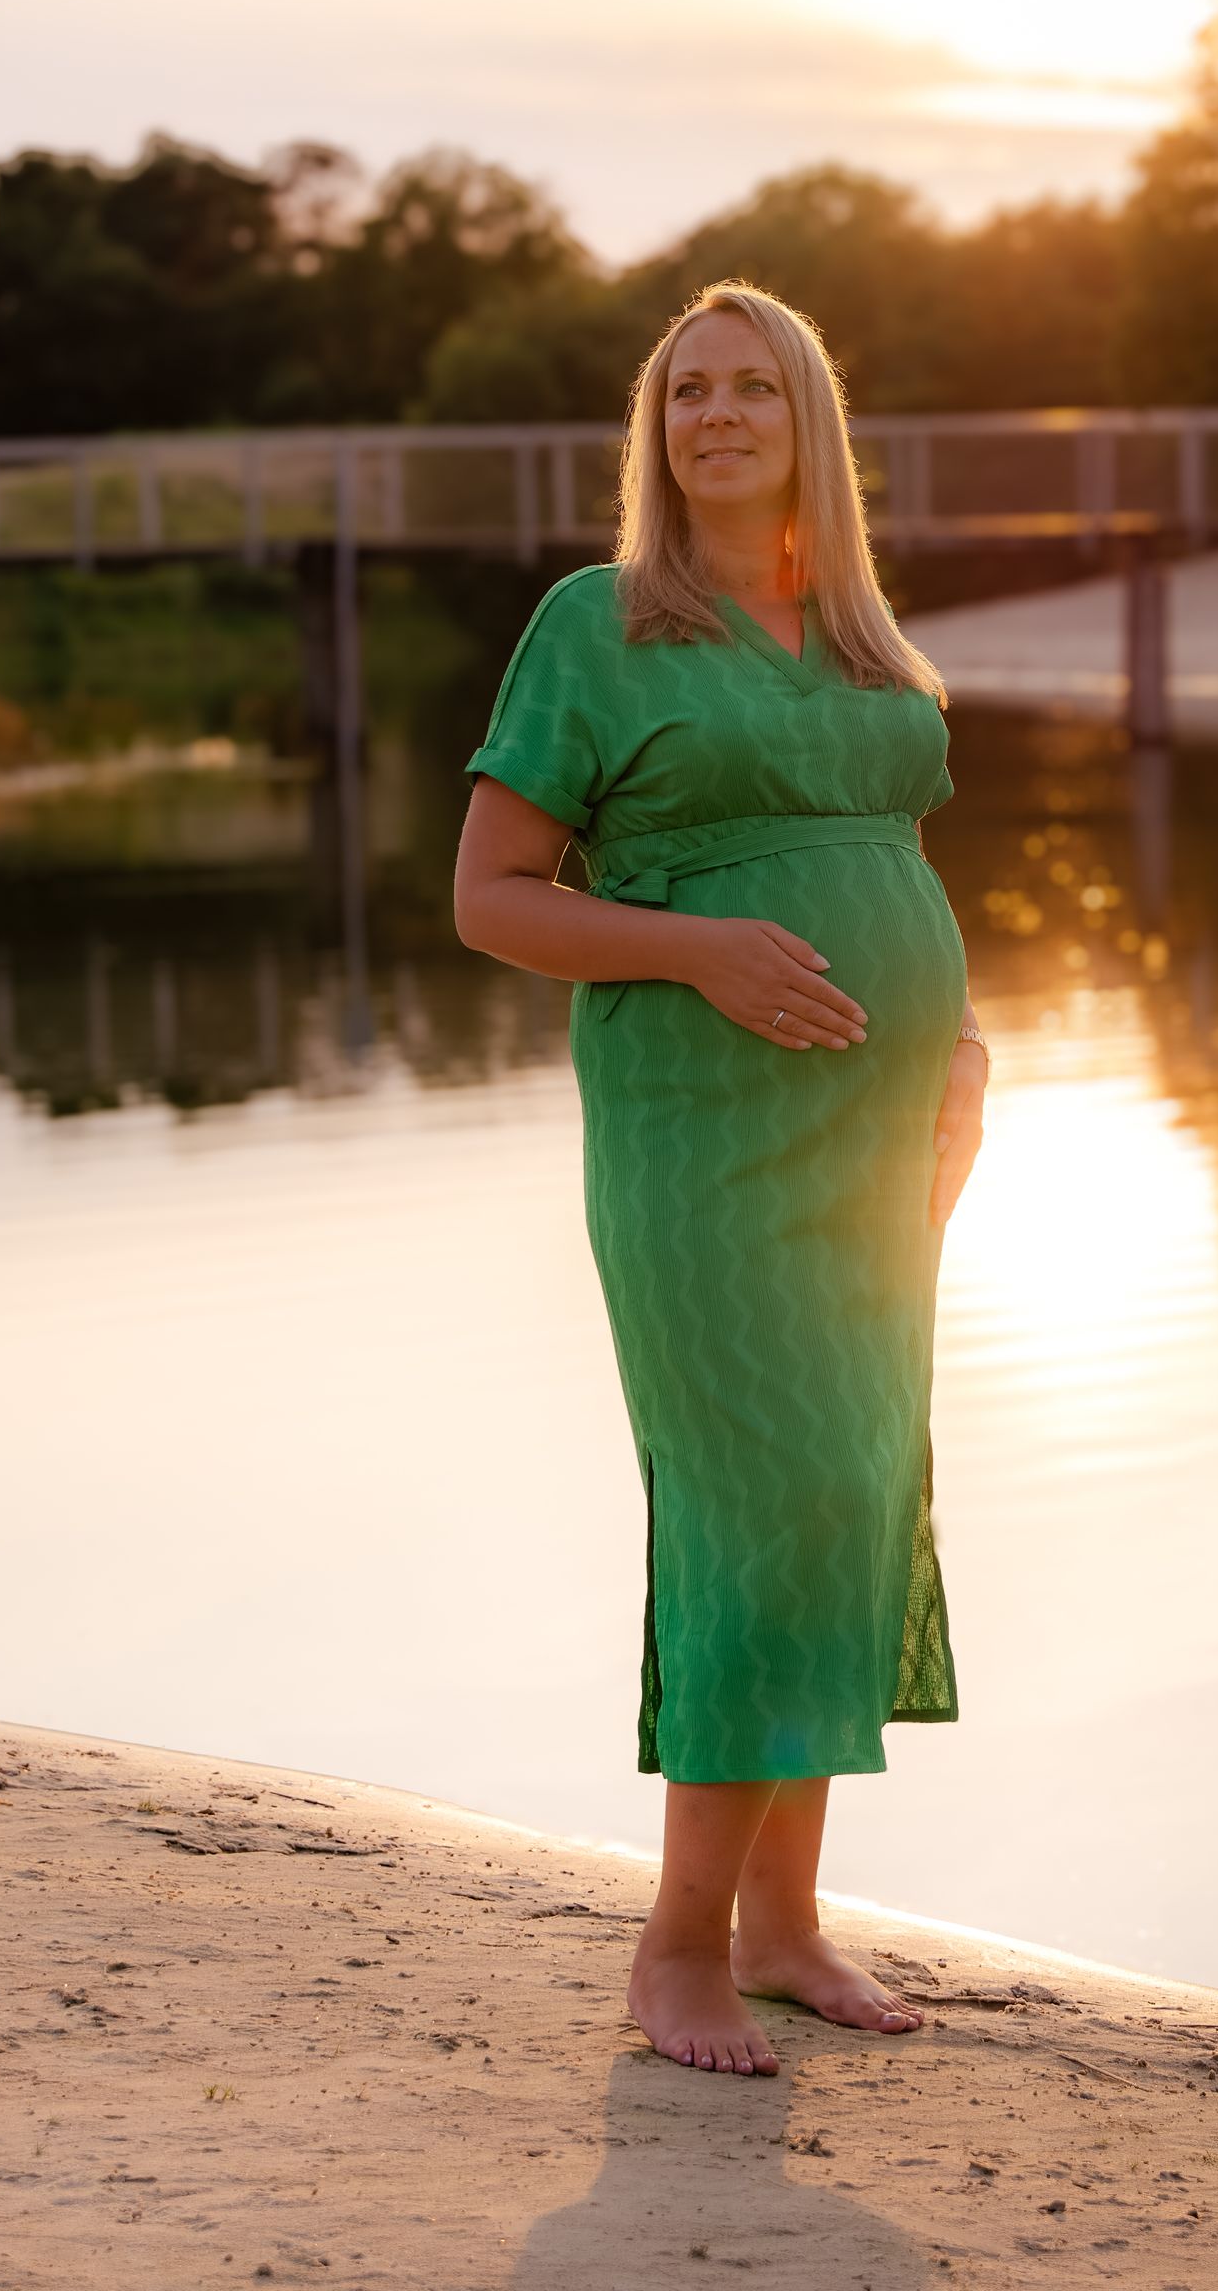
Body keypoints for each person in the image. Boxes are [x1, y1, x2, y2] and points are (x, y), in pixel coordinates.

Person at [453, 281, 988, 2079]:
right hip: (703, 1138)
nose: (720, 412)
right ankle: (673, 1952)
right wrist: (698, 954)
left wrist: (962, 1052)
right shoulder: (598, 625)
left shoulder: (848, 628)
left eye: (757, 385)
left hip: (877, 1143)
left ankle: (785, 1930)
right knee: (756, 1505)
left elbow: (889, 849)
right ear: (654, 430)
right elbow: (495, 896)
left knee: (846, 1495)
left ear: (810, 424)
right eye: (690, 390)